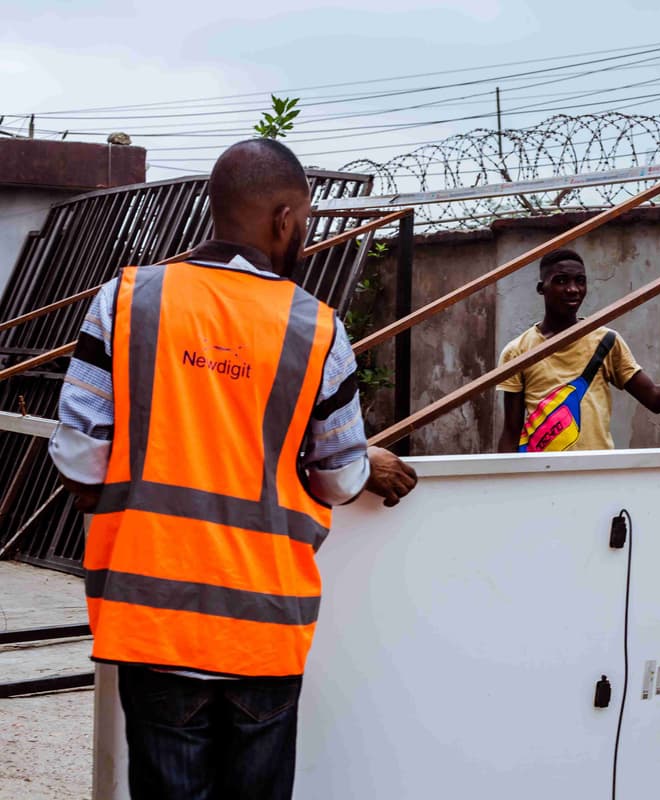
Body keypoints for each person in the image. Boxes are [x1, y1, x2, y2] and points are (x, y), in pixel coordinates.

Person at [48, 138, 418, 800]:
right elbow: (338, 478)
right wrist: (370, 460)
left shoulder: (127, 301)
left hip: (153, 625)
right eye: (301, 219)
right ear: (283, 219)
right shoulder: (316, 329)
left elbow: (79, 455)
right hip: (263, 628)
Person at [497, 248, 660, 452]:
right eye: (561, 281)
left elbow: (655, 399)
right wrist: (506, 484)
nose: (572, 289)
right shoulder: (518, 351)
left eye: (579, 281)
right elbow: (511, 429)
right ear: (542, 289)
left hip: (597, 473)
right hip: (541, 475)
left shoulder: (606, 341)